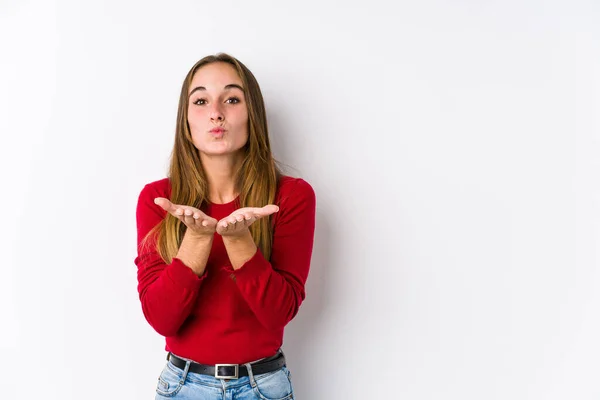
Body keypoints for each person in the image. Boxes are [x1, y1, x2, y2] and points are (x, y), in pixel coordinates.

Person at [134, 53, 316, 400]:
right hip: (182, 387)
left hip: (263, 386)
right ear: (186, 121)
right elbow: (161, 319)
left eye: (231, 99)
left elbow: (279, 312)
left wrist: (239, 241)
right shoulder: (157, 199)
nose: (216, 112)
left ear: (253, 116)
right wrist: (198, 239)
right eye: (201, 101)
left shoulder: (291, 197)